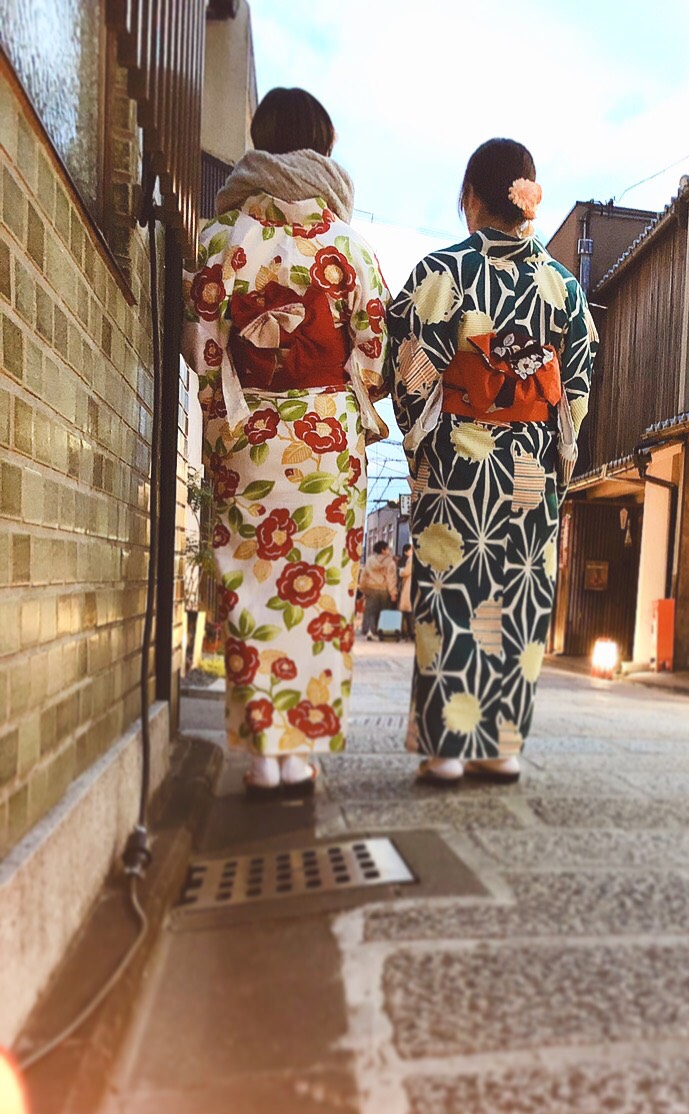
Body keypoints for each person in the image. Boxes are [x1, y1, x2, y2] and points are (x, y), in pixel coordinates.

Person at [182, 87, 389, 794]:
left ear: (261, 145)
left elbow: (207, 352)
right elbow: (373, 355)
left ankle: (260, 757)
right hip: (326, 443)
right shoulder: (348, 246)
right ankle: (297, 755)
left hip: (249, 433)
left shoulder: (220, 239)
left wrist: (222, 419)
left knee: (251, 586)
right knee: (317, 595)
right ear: (321, 150)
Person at [388, 138, 596, 786]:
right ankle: (501, 747)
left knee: (451, 595)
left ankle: (446, 748)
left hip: (458, 465)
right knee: (518, 601)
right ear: (528, 201)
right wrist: (558, 461)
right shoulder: (563, 288)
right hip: (531, 467)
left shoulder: (441, 272)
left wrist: (421, 445)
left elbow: (407, 366)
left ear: (472, 199)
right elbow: (578, 386)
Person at [359, 539, 398, 638]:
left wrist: (362, 588)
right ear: (383, 550)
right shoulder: (390, 562)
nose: (389, 550)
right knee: (383, 610)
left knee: (370, 611)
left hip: (371, 588)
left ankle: (369, 631)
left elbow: (364, 575)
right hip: (384, 590)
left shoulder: (370, 560)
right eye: (387, 548)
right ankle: (381, 631)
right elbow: (391, 578)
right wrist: (393, 592)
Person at [397, 542, 414, 639]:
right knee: (409, 611)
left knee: (407, 611)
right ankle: (409, 631)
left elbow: (406, 572)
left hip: (408, 586)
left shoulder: (410, 559)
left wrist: (400, 572)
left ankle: (407, 632)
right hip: (410, 585)